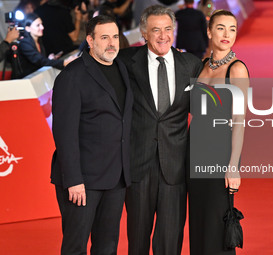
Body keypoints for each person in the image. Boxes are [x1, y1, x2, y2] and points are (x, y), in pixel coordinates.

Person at [118, 5, 202, 255]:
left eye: (168, 29)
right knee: (138, 240)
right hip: (138, 166)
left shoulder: (191, 65)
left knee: (170, 241)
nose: (163, 36)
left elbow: (204, 114)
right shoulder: (125, 63)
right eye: (156, 30)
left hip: (175, 169)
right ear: (143, 33)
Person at [51, 15, 133, 254]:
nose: (111, 43)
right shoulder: (72, 76)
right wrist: (74, 180)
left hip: (116, 177)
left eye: (115, 37)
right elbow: (64, 134)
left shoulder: (121, 69)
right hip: (82, 182)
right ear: (90, 40)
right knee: (76, 246)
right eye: (104, 37)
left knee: (107, 246)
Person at [188, 10, 249, 255]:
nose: (227, 34)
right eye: (221, 28)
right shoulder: (201, 65)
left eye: (232, 28)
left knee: (216, 222)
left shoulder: (237, 70)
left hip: (220, 156)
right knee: (199, 221)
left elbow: (239, 120)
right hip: (194, 153)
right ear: (209, 31)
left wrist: (233, 165)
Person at [15, 13, 75, 79]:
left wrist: (49, 59)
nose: (42, 27)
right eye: (38, 25)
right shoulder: (24, 43)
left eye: (41, 24)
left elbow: (41, 61)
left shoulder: (39, 40)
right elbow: (39, 61)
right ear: (28, 28)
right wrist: (63, 62)